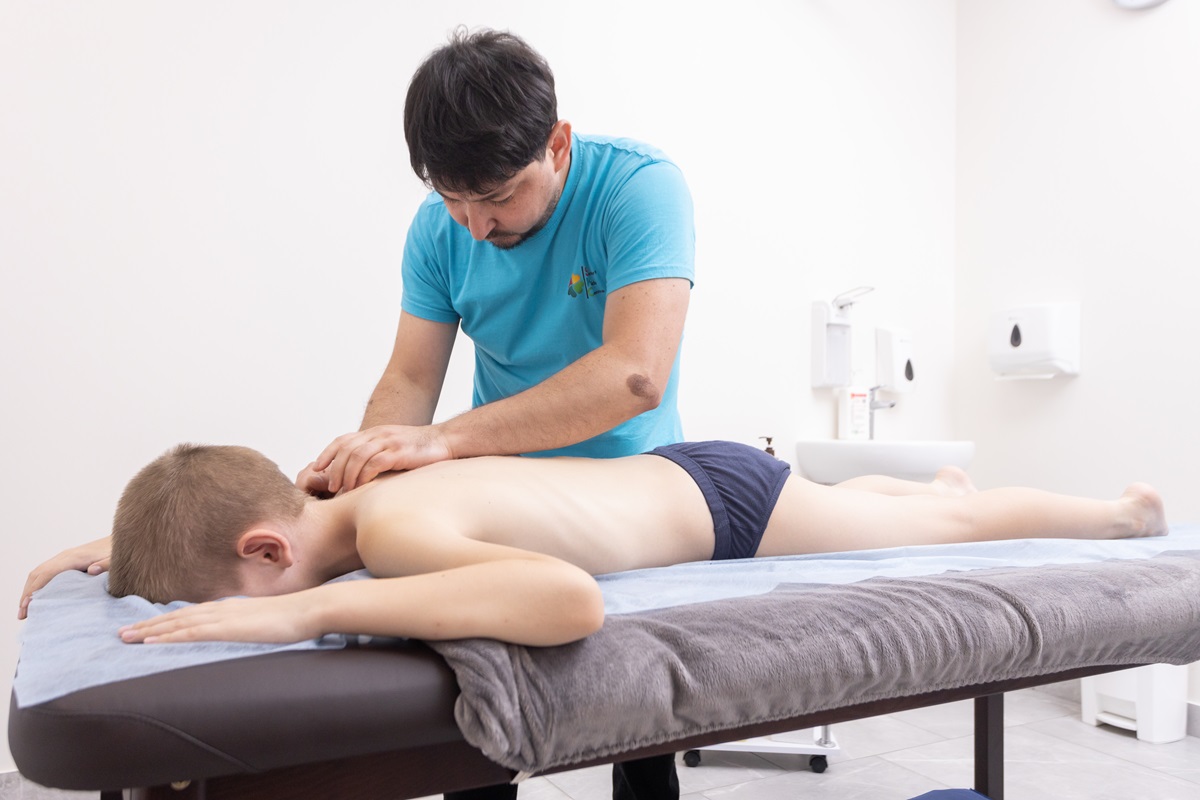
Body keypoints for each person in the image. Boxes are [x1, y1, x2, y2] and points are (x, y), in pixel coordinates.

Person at [74, 439, 1163, 647]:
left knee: (948, 528)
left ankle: (1121, 512)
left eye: (230, 600)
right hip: (686, 477)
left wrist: (307, 612)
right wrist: (114, 548)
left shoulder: (394, 530)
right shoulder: (347, 497)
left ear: (269, 552)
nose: (234, 618)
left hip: (726, 507)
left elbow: (567, 601)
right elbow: (222, 503)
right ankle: (913, 484)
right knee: (876, 501)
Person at [293, 26, 695, 498]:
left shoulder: (639, 188)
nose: (476, 228)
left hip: (635, 485)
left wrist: (443, 439)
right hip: (500, 487)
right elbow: (412, 379)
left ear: (557, 146)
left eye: (499, 197)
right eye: (452, 198)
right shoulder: (436, 228)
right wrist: (360, 469)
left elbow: (635, 376)